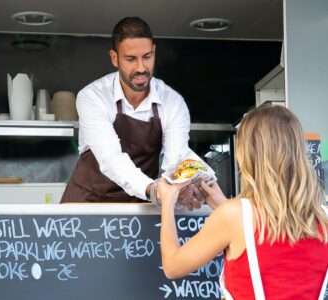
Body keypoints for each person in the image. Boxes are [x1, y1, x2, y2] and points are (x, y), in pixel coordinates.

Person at [158, 105, 328, 299]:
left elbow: (172, 267)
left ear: (249, 154)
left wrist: (167, 202)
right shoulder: (324, 217)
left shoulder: (233, 216)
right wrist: (224, 204)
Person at [61, 17, 202, 206]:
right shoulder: (92, 96)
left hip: (138, 208)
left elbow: (174, 162)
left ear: (154, 52)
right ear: (114, 58)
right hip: (87, 205)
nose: (141, 68)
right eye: (130, 59)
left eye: (147, 57)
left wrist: (180, 188)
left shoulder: (173, 102)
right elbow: (110, 157)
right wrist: (152, 189)